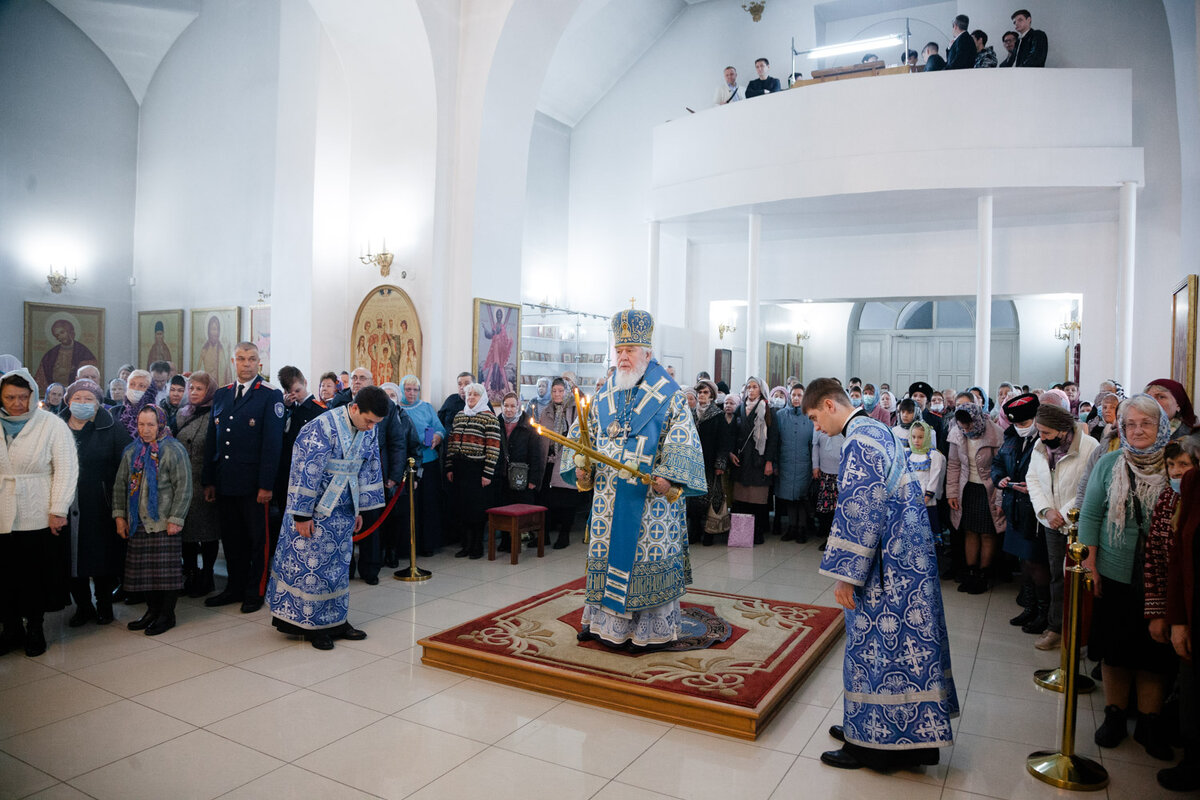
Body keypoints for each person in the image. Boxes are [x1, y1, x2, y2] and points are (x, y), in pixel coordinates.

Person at [802, 378, 957, 770]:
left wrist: (845, 575)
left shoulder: (860, 441)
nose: (816, 427)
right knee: (901, 651)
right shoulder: (875, 428)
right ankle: (883, 732)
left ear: (830, 405)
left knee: (876, 649)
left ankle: (873, 746)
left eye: (815, 417)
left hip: (887, 564)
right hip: (904, 555)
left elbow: (860, 509)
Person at [562, 307, 706, 649]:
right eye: (619, 351)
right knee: (608, 556)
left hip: (650, 500)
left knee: (644, 560)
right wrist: (582, 465)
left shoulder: (669, 394)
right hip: (609, 499)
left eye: (630, 351)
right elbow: (585, 434)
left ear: (647, 354)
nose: (623, 357)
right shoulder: (606, 392)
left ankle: (648, 632)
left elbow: (682, 439)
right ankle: (604, 625)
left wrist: (669, 477)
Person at [1079, 395, 1176, 760]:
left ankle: (1150, 721)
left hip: (1159, 578)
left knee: (1155, 653)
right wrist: (1090, 564)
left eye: (1146, 424)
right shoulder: (1109, 464)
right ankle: (1115, 714)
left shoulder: (1174, 465)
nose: (1137, 430)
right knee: (1115, 650)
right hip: (1115, 570)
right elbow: (1090, 516)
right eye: (1131, 424)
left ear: (1160, 427)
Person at [267, 386, 387, 650]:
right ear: (355, 408)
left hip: (344, 510)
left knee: (337, 569)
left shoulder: (370, 427)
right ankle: (311, 624)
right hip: (314, 511)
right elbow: (304, 469)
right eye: (368, 420)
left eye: (375, 423)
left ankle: (336, 621)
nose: (370, 428)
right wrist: (301, 514)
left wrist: (360, 509)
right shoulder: (321, 426)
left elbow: (369, 465)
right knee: (312, 569)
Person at [0, 369, 79, 656]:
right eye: (10, 397)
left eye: (23, 397)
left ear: (33, 395)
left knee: (33, 576)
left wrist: (58, 508)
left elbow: (67, 468)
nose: (17, 403)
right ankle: (10, 629)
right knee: (4, 576)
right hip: (1, 513)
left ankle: (34, 628)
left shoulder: (50, 424)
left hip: (37, 512)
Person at [201, 342, 284, 613]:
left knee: (257, 540)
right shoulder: (223, 394)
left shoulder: (270, 395)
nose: (246, 364)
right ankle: (234, 587)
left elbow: (272, 445)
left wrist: (266, 485)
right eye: (241, 359)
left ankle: (255, 590)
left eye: (251, 359)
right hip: (226, 482)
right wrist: (209, 480)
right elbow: (213, 441)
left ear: (259, 364)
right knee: (232, 538)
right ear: (233, 362)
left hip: (253, 486)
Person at [1024, 400, 1098, 650]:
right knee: (1057, 574)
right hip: (1050, 522)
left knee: (1079, 578)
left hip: (1078, 523)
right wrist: (1046, 511)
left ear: (1063, 430)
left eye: (1046, 432)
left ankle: (1081, 633)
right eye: (1039, 432)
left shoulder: (1089, 447)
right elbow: (1032, 478)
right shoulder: (1040, 445)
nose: (1041, 437)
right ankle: (1056, 628)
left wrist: (1064, 514)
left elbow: (1088, 486)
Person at [113, 405, 190, 636]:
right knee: (144, 574)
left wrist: (176, 518)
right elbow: (120, 486)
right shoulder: (132, 451)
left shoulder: (173, 450)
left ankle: (167, 614)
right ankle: (151, 611)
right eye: (141, 424)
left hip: (164, 522)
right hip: (138, 522)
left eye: (151, 425)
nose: (145, 430)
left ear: (161, 425)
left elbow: (184, 487)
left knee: (165, 575)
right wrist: (120, 517)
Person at [60, 378, 130, 627]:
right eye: (77, 398)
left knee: (102, 557)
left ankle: (104, 605)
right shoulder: (56, 426)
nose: (82, 403)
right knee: (70, 558)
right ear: (68, 401)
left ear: (99, 403)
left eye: (89, 399)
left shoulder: (112, 427)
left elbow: (125, 466)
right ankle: (84, 606)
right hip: (65, 504)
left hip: (100, 503)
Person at [991, 393, 1045, 632]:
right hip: (1014, 505)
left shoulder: (1045, 439)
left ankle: (1044, 612)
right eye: (1015, 423)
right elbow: (998, 463)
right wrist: (999, 478)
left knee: (1036, 562)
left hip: (1035, 510)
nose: (1020, 427)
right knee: (1023, 561)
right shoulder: (1011, 436)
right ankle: (1029, 606)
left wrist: (1032, 486)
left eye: (1024, 423)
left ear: (1035, 418)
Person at [1164, 468, 1200, 790]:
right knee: (1192, 697)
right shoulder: (1193, 481)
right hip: (1191, 612)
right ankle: (1192, 763)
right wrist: (1177, 619)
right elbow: (1179, 553)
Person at [946, 402, 1006, 593]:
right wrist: (952, 493)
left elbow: (1001, 469)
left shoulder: (995, 433)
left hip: (989, 488)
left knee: (988, 533)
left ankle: (984, 574)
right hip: (967, 488)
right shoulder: (957, 433)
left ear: (977, 419)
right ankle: (971, 572)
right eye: (962, 426)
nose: (966, 430)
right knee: (970, 531)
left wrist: (999, 498)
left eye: (969, 425)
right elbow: (954, 465)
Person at [174, 372, 222, 598]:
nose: (193, 392)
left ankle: (208, 575)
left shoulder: (216, 414)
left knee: (207, 531)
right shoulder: (182, 414)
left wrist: (210, 481)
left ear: (209, 391)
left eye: (199, 389)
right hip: (183, 482)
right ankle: (191, 572)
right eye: (191, 388)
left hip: (205, 483)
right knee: (187, 532)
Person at [445, 383, 501, 559]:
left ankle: (477, 546)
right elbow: (452, 443)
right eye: (469, 395)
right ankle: (466, 545)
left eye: (475, 395)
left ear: (482, 397)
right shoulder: (460, 415)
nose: (471, 398)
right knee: (462, 508)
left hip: (477, 470)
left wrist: (488, 473)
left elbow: (493, 448)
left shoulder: (489, 418)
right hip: (460, 468)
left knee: (476, 510)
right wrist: (449, 466)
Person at [396, 374, 446, 560]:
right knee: (408, 506)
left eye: (415, 389)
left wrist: (437, 437)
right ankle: (406, 546)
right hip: (406, 464)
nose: (411, 393)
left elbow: (439, 428)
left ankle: (428, 544)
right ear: (402, 390)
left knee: (428, 504)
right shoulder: (396, 408)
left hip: (428, 461)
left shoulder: (426, 407)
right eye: (408, 389)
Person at [731, 377, 779, 544]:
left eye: (754, 387)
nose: (751, 390)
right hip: (742, 460)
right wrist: (731, 453)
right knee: (741, 499)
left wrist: (769, 462)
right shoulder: (740, 409)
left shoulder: (768, 410)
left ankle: (757, 534)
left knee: (757, 499)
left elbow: (773, 439)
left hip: (759, 461)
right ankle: (742, 535)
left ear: (761, 390)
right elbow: (733, 433)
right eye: (748, 387)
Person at [538, 378, 580, 549]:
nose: (557, 394)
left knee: (566, 500)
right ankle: (544, 535)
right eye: (554, 390)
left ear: (567, 391)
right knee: (545, 501)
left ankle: (564, 535)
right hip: (548, 461)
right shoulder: (546, 411)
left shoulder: (575, 410)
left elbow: (578, 434)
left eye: (561, 391)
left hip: (566, 461)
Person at [775, 384, 813, 542]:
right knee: (789, 497)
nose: (796, 398)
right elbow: (776, 442)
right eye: (793, 395)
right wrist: (775, 463)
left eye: (799, 395)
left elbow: (813, 442)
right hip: (786, 462)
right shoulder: (780, 415)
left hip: (805, 463)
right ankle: (791, 527)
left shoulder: (810, 416)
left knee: (802, 497)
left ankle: (802, 528)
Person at [497, 392, 543, 514]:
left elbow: (535, 455)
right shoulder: (496, 423)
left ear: (518, 407)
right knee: (503, 510)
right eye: (506, 405)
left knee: (521, 512)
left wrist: (533, 480)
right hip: (501, 476)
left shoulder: (528, 425)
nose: (509, 409)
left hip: (522, 476)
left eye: (513, 406)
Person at [34, 318, 98, 389]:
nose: (60, 337)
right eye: (57, 335)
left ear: (69, 332)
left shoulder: (83, 351)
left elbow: (89, 373)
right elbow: (41, 379)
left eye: (62, 332)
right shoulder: (51, 354)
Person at [117, 369, 156, 439]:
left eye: (141, 386)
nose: (136, 389)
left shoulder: (158, 413)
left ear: (149, 390)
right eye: (132, 384)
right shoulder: (116, 412)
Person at [198, 315, 232, 386]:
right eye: (213, 329)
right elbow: (198, 373)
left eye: (217, 329)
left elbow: (227, 372)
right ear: (208, 331)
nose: (215, 333)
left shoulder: (222, 350)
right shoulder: (204, 350)